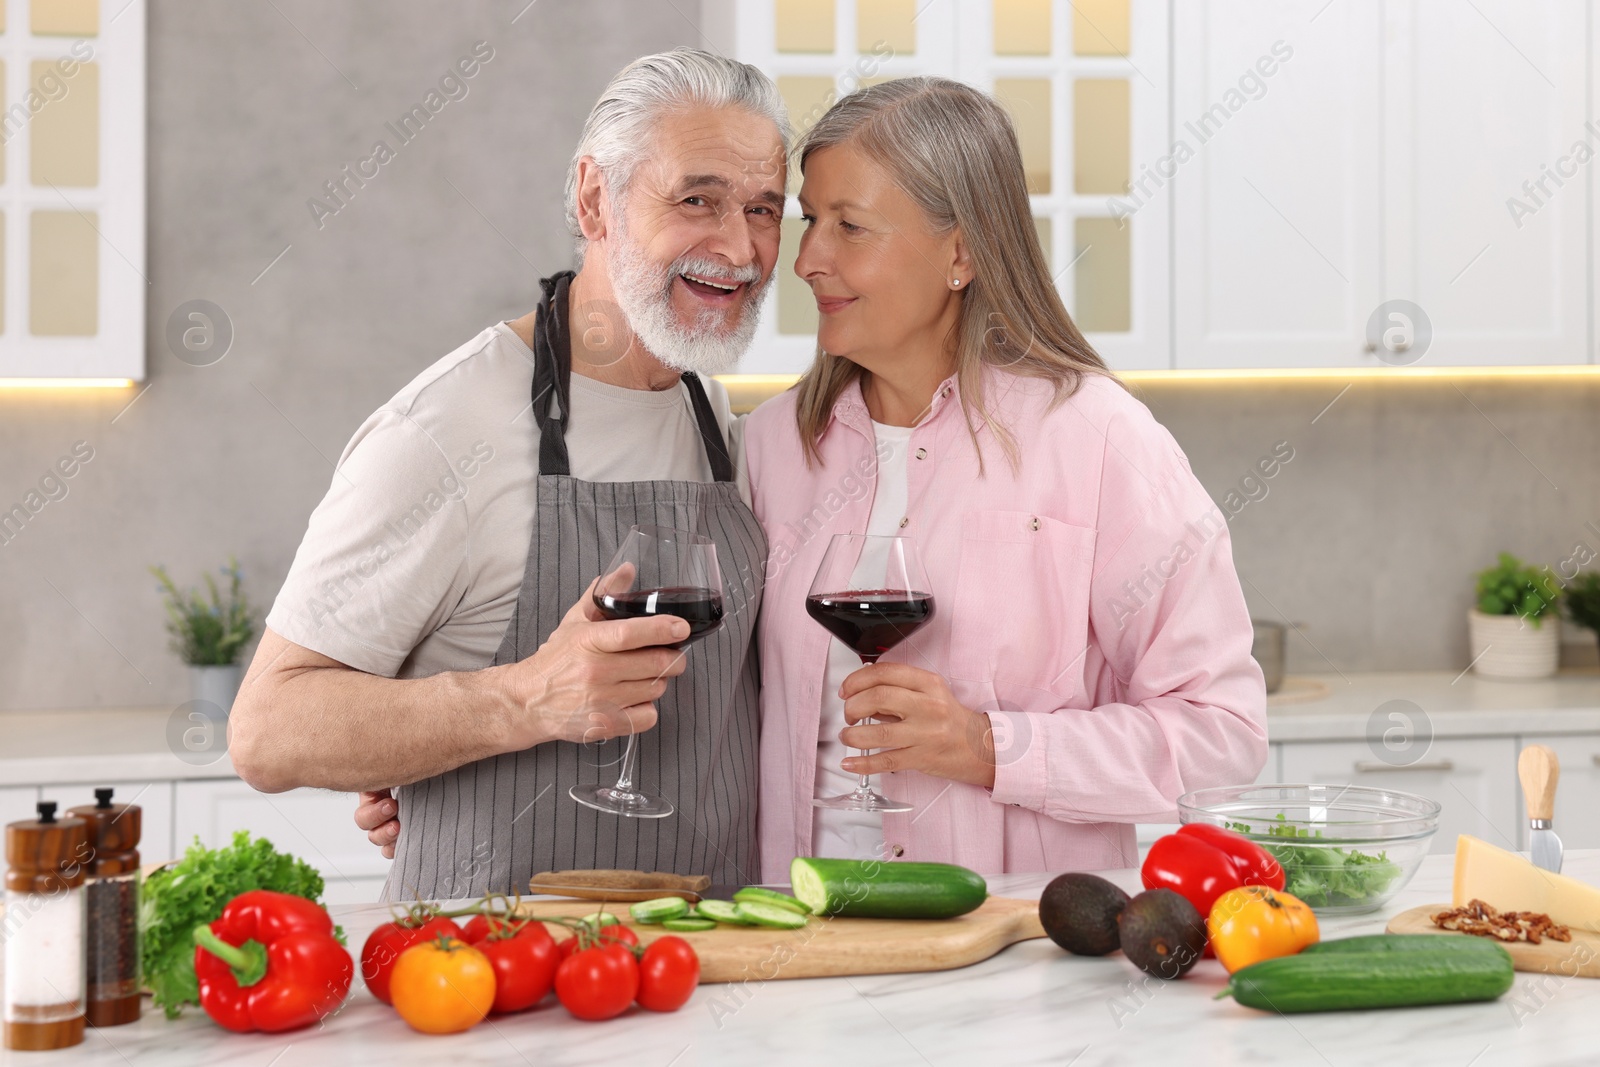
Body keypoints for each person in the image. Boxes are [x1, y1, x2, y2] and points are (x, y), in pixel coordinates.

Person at [229, 49, 788, 899]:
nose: (740, 248)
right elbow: (267, 729)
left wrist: (410, 748)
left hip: (706, 973)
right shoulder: (446, 429)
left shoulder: (717, 419)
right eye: (697, 199)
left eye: (763, 209)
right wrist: (522, 698)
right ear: (597, 198)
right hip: (487, 991)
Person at [742, 77, 1268, 881]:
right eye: (810, 220)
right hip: (804, 940)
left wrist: (994, 748)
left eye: (851, 226)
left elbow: (1221, 736)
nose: (808, 259)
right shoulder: (773, 445)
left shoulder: (1097, 440)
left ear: (962, 252)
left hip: (1018, 962)